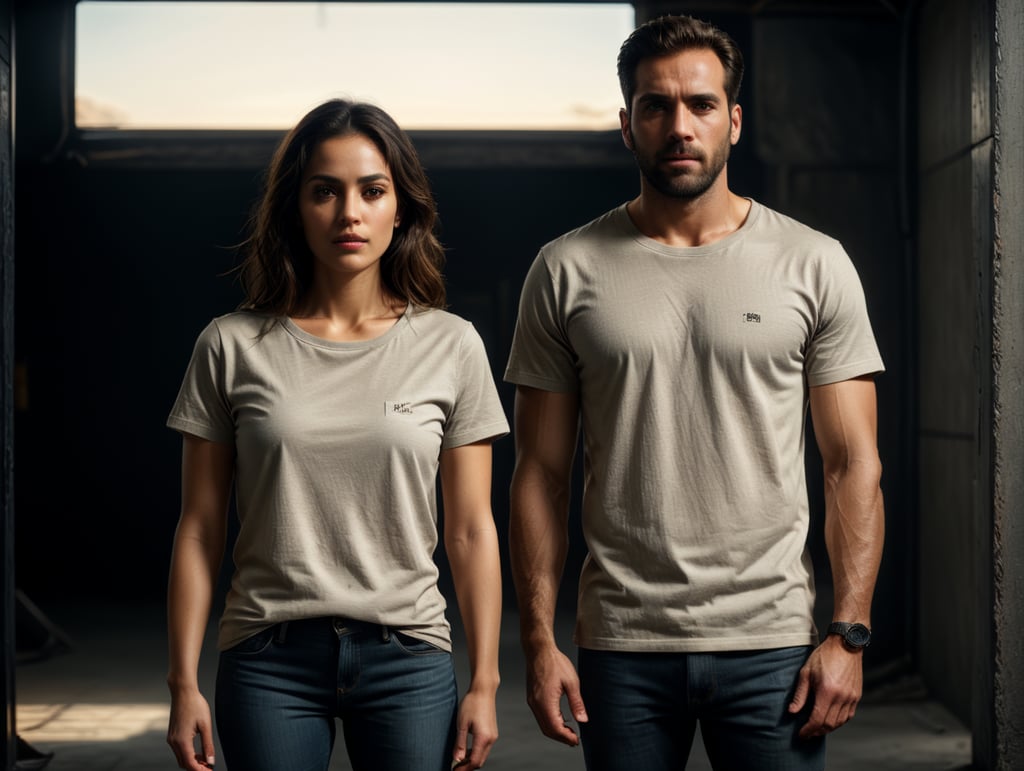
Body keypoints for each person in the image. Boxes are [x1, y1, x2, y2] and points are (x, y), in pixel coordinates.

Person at [505, 14, 885, 770]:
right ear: (627, 124)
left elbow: (852, 463)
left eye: (701, 104)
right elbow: (538, 476)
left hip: (772, 644)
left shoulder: (814, 263)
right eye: (656, 106)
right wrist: (540, 644)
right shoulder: (565, 269)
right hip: (621, 646)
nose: (679, 125)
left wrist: (847, 633)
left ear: (734, 121)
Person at [164, 99, 507, 771]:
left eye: (372, 190)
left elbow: (470, 529)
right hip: (269, 659)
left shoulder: (452, 344)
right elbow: (200, 528)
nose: (349, 212)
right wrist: (183, 683)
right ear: (296, 206)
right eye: (325, 191)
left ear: (399, 207)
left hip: (407, 657)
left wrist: (487, 681)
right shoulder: (232, 344)